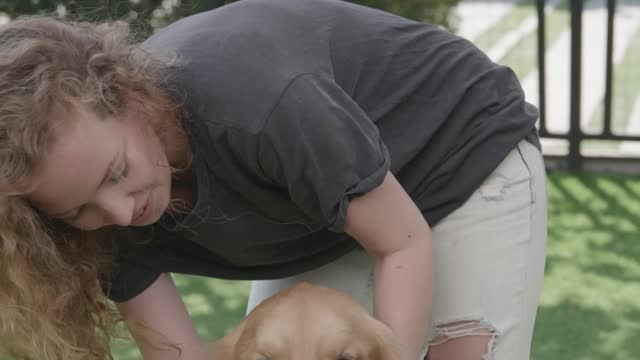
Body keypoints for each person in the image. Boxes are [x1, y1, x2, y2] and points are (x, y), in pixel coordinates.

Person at [0, 0, 548, 359]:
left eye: (116, 173)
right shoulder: (101, 222)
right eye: (79, 210)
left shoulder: (257, 103)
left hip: (454, 152)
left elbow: (402, 242)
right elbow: (180, 354)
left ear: (128, 94)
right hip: (323, 199)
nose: (118, 214)